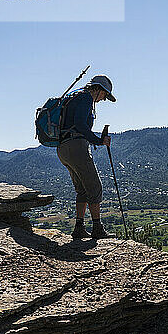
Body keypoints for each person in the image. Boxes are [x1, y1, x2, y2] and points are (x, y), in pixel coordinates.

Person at [57, 75, 116, 239]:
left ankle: (79, 228)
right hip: (76, 147)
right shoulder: (85, 98)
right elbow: (81, 125)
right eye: (105, 95)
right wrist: (99, 140)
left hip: (63, 148)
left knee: (82, 189)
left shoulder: (74, 96)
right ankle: (97, 228)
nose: (104, 99)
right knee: (95, 187)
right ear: (99, 89)